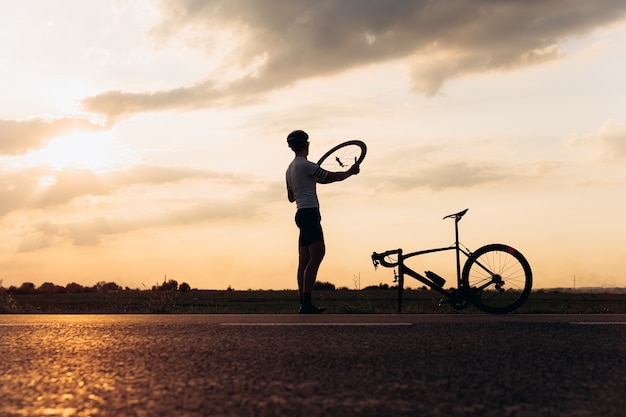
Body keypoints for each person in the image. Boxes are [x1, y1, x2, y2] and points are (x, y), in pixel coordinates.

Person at [285, 130, 360, 314]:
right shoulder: (305, 165)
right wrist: (350, 172)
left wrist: (311, 181)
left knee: (304, 260)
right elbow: (330, 176)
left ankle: (303, 302)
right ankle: (307, 303)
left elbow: (291, 197)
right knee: (318, 254)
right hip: (310, 213)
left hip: (300, 214)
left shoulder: (290, 169)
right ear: (307, 144)